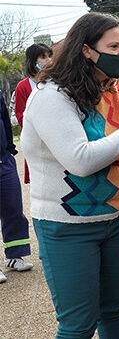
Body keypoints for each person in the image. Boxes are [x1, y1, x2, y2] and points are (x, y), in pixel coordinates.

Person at [21, 13, 119, 337]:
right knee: (77, 325)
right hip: (67, 228)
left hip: (118, 222)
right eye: (113, 46)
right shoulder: (51, 95)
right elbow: (80, 160)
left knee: (114, 312)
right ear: (86, 50)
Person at [0, 89, 32, 284]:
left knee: (13, 209)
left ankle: (14, 256)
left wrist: (10, 148)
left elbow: (4, 116)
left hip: (4, 160)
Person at [14, 42, 53, 184]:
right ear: (33, 61)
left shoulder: (55, 82)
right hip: (37, 141)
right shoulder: (23, 87)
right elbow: (20, 115)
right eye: (43, 57)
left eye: (49, 56)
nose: (48, 60)